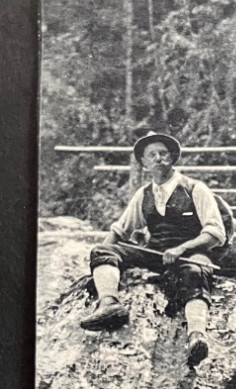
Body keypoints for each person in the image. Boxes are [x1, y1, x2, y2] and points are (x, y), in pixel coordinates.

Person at [83, 131, 227, 366]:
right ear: (143, 163)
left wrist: (182, 249)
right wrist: (98, 264)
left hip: (191, 254)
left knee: (194, 274)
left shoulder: (194, 189)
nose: (159, 158)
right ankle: (110, 305)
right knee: (102, 250)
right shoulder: (144, 194)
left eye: (163, 153)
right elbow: (120, 231)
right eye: (152, 155)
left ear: (172, 158)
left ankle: (196, 337)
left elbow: (215, 234)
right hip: (155, 253)